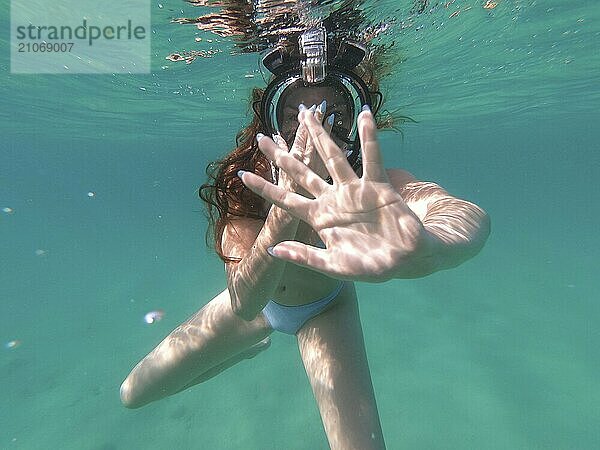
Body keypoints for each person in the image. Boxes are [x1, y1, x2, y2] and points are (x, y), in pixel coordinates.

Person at [120, 24, 490, 450]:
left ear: (353, 123)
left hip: (325, 312)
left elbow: (461, 214)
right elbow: (244, 304)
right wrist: (284, 207)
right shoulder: (248, 186)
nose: (313, 130)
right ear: (273, 123)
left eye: (333, 116)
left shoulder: (374, 189)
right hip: (260, 310)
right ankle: (245, 349)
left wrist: (431, 247)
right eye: (297, 115)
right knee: (132, 395)